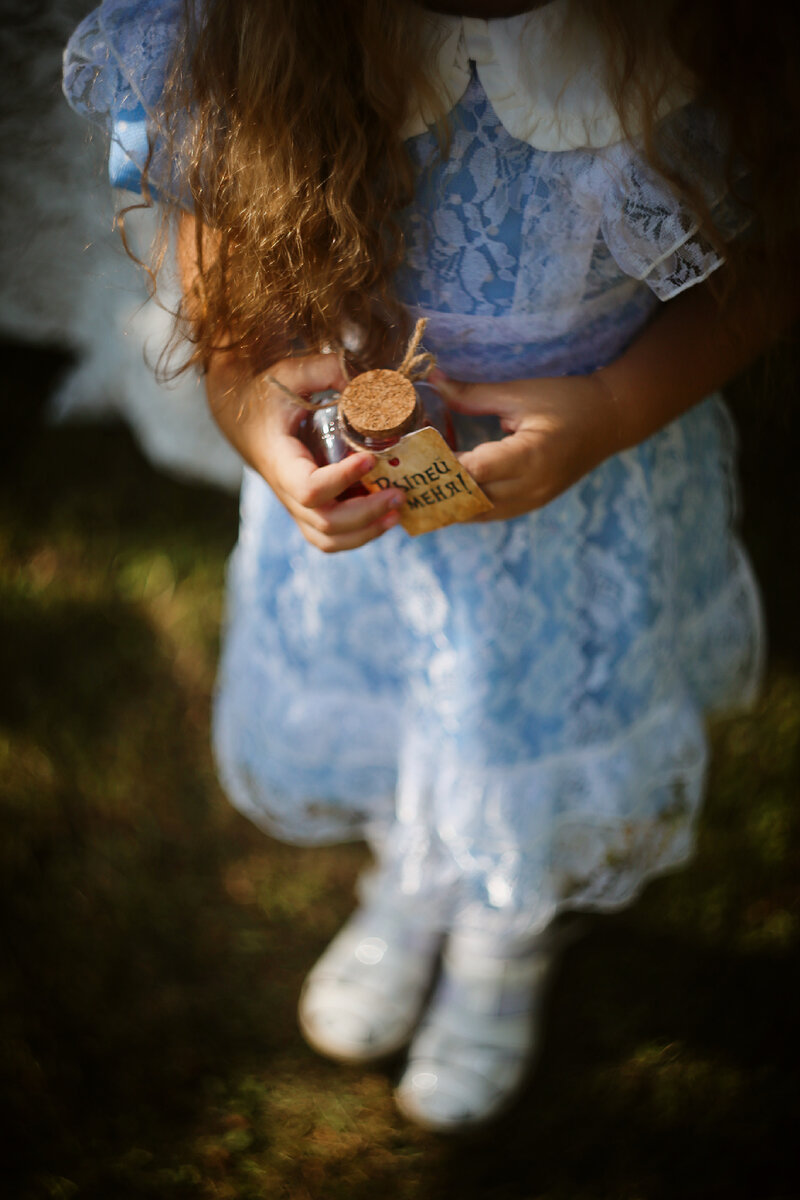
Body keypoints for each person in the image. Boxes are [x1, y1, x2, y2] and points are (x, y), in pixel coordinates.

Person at [63, 0, 798, 1132]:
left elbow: (770, 266)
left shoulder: (696, 45)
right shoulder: (255, 31)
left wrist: (607, 410)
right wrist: (242, 397)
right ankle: (407, 880)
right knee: (398, 706)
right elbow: (193, 211)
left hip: (581, 505)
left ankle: (503, 937)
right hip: (367, 522)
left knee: (531, 731)